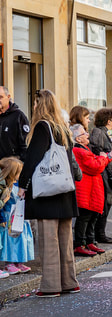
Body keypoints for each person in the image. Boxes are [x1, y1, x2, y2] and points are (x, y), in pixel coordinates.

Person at [18, 90, 80, 297]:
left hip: (47, 192)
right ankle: (69, 282)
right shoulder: (63, 128)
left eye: (36, 103)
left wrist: (22, 185)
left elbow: (32, 159)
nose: (34, 106)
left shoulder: (42, 127)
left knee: (49, 241)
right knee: (65, 240)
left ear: (41, 105)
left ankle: (51, 286)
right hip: (64, 190)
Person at [71, 124, 111, 257]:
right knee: (85, 218)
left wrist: (107, 157)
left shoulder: (84, 149)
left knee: (92, 216)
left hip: (91, 189)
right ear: (78, 139)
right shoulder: (79, 151)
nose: (88, 135)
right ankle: (80, 244)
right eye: (84, 133)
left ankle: (89, 241)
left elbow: (97, 163)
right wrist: (104, 157)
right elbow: (95, 166)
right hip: (85, 190)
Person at [89, 108, 112, 245]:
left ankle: (100, 232)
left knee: (108, 202)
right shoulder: (98, 132)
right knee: (103, 203)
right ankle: (98, 234)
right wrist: (107, 154)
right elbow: (95, 149)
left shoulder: (110, 133)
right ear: (108, 121)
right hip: (104, 172)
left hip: (110, 170)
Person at [0, 157, 32, 276]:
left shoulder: (20, 185)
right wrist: (2, 218)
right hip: (9, 217)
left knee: (21, 240)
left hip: (20, 216)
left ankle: (19, 261)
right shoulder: (6, 187)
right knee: (10, 241)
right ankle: (9, 263)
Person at [0, 86, 30, 161]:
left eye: (0, 97)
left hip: (11, 165)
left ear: (8, 97)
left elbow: (25, 143)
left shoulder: (18, 116)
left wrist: (21, 162)